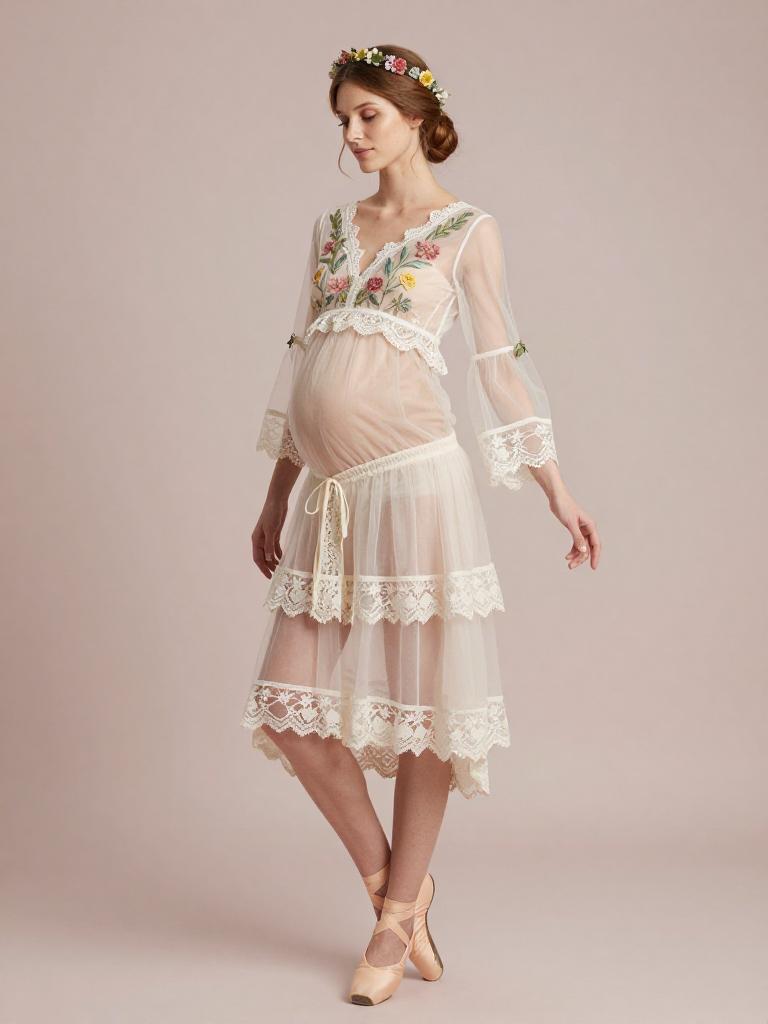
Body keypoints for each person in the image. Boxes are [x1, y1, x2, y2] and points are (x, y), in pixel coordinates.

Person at [241, 43, 601, 1006]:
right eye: (343, 120)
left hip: (416, 489)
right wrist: (277, 493)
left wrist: (556, 488)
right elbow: (303, 359)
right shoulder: (332, 229)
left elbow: (499, 366)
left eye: (368, 115)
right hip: (330, 496)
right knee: (287, 704)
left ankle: (395, 922)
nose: (352, 134)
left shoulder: (465, 230)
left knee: (423, 710)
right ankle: (394, 888)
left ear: (416, 117)